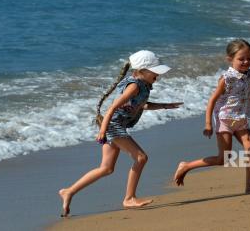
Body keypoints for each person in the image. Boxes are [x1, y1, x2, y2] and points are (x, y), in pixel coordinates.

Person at [59, 50, 182, 217]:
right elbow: (112, 108)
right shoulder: (134, 86)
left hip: (114, 125)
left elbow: (141, 105)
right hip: (113, 125)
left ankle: (69, 192)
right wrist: (102, 131)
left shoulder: (143, 85)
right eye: (155, 72)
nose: (157, 76)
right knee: (141, 158)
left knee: (106, 168)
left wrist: (165, 106)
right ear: (142, 71)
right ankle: (129, 198)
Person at [173, 39, 250, 194]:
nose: (246, 62)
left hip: (241, 119)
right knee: (223, 159)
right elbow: (212, 101)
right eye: (241, 59)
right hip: (225, 120)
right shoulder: (226, 78)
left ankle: (249, 187)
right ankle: (187, 166)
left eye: (249, 58)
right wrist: (208, 124)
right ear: (230, 59)